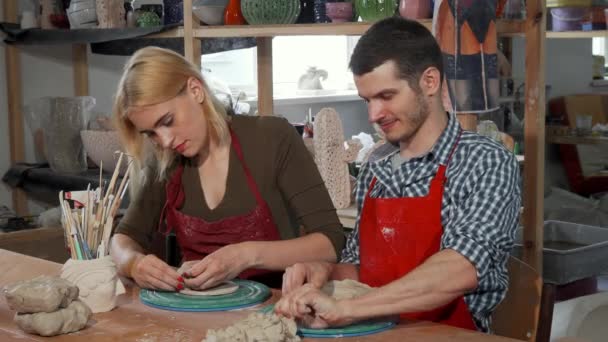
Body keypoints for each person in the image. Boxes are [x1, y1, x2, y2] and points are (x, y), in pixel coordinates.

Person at [275, 17, 521, 333]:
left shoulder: (485, 161)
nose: (373, 115)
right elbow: (362, 269)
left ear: (430, 82)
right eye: (368, 100)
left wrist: (348, 309)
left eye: (386, 96)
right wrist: (323, 272)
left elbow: (460, 269)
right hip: (375, 330)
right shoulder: (376, 167)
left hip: (449, 335)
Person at [109, 47, 345, 292]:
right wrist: (134, 263)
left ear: (195, 90)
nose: (165, 140)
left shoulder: (271, 138)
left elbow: (330, 242)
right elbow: (123, 239)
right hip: (193, 313)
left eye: (167, 121)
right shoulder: (165, 161)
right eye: (151, 134)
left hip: (274, 307)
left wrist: (244, 255)